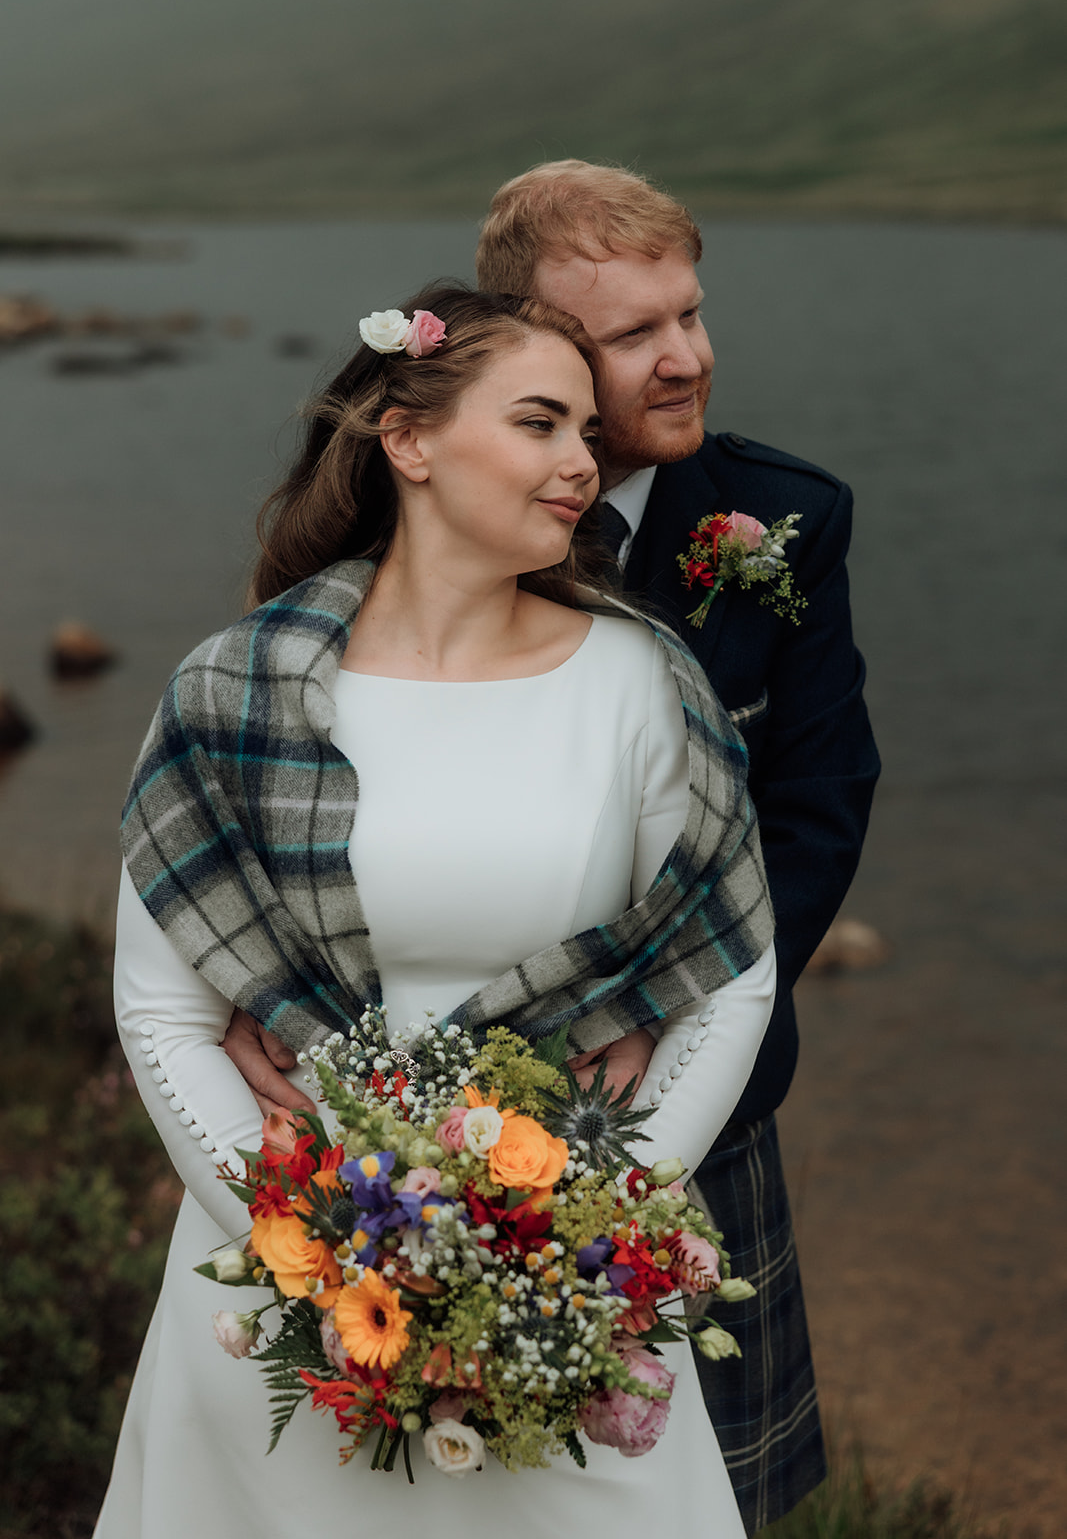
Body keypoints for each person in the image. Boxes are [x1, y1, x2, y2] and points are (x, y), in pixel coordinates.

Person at [227, 167, 882, 1532]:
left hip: (692, 1090)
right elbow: (291, 786)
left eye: (689, 314)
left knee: (705, 1487)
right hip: (410, 1109)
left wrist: (669, 1009)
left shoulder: (777, 522)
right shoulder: (399, 530)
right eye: (631, 335)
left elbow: (816, 803)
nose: (685, 357)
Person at [96, 286, 780, 1539]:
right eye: (537, 422)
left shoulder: (640, 683)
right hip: (278, 1318)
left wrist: (596, 1242)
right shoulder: (231, 688)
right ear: (407, 440)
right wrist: (305, 1247)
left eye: (585, 430)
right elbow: (162, 1007)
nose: (580, 463)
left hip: (572, 1302)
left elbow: (725, 972)